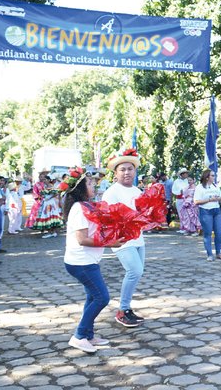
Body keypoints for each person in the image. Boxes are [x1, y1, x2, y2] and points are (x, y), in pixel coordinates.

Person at [62, 171, 124, 353]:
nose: (94, 186)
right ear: (80, 188)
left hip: (86, 261)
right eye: (90, 184)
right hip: (81, 263)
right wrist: (109, 242)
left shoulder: (85, 206)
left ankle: (88, 335)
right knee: (102, 297)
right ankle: (79, 336)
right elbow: (82, 239)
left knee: (92, 296)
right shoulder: (80, 209)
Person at [103, 150, 147, 327]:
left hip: (138, 239)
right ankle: (121, 310)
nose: (127, 172)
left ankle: (127, 309)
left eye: (130, 169)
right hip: (122, 240)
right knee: (134, 271)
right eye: (123, 169)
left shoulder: (137, 191)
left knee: (138, 272)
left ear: (135, 171)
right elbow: (106, 217)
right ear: (116, 173)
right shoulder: (112, 192)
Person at [194, 169, 221, 261]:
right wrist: (209, 199)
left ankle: (218, 253)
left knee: (219, 233)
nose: (214, 177)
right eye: (212, 175)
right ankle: (209, 254)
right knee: (207, 233)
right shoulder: (200, 187)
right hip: (206, 211)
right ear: (207, 177)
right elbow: (196, 201)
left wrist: (218, 198)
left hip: (216, 210)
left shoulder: (215, 186)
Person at [30, 172, 62, 238]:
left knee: (50, 216)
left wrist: (49, 197)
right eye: (43, 180)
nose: (44, 181)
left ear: (48, 180)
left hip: (50, 203)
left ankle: (52, 232)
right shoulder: (45, 186)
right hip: (46, 202)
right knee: (47, 216)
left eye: (45, 180)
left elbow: (55, 193)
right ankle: (50, 232)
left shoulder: (51, 186)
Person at [172, 168, 191, 234]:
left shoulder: (188, 180)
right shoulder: (176, 181)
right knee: (181, 214)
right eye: (185, 173)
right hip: (179, 199)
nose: (186, 174)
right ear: (182, 174)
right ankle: (182, 227)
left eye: (187, 173)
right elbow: (173, 190)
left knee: (187, 214)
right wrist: (180, 192)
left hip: (187, 199)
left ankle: (187, 228)